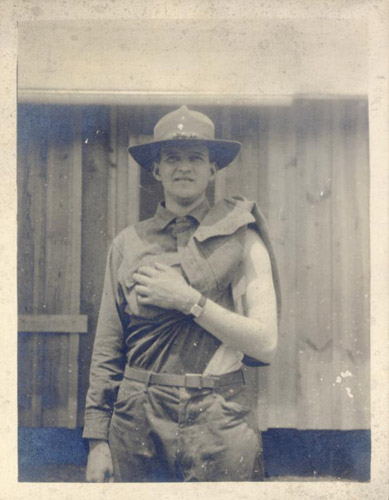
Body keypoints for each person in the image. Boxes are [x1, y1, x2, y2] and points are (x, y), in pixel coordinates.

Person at [83, 105, 281, 482]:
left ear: (212, 169)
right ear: (156, 170)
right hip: (138, 422)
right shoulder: (128, 244)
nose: (184, 167)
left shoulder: (242, 237)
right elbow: (108, 347)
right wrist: (97, 441)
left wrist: (187, 299)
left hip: (219, 420)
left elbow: (265, 343)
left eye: (195, 157)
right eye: (172, 158)